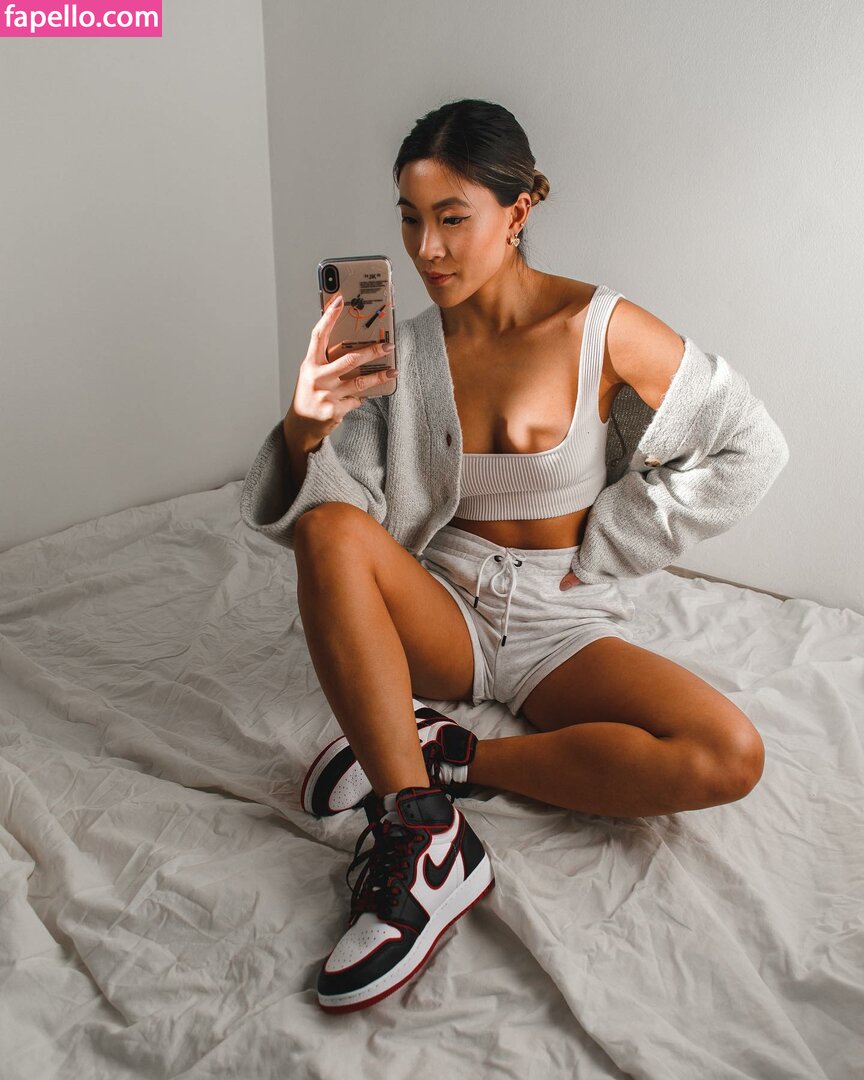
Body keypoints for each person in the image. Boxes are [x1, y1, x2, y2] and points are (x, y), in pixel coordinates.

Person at [239, 98, 789, 1013]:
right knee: (331, 532)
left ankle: (449, 758)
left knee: (727, 754)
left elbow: (750, 447)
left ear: (518, 210)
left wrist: (613, 544)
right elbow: (338, 517)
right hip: (440, 612)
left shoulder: (600, 328)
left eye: (453, 218)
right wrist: (305, 424)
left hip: (560, 620)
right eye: (411, 219)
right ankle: (423, 835)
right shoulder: (401, 354)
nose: (427, 250)